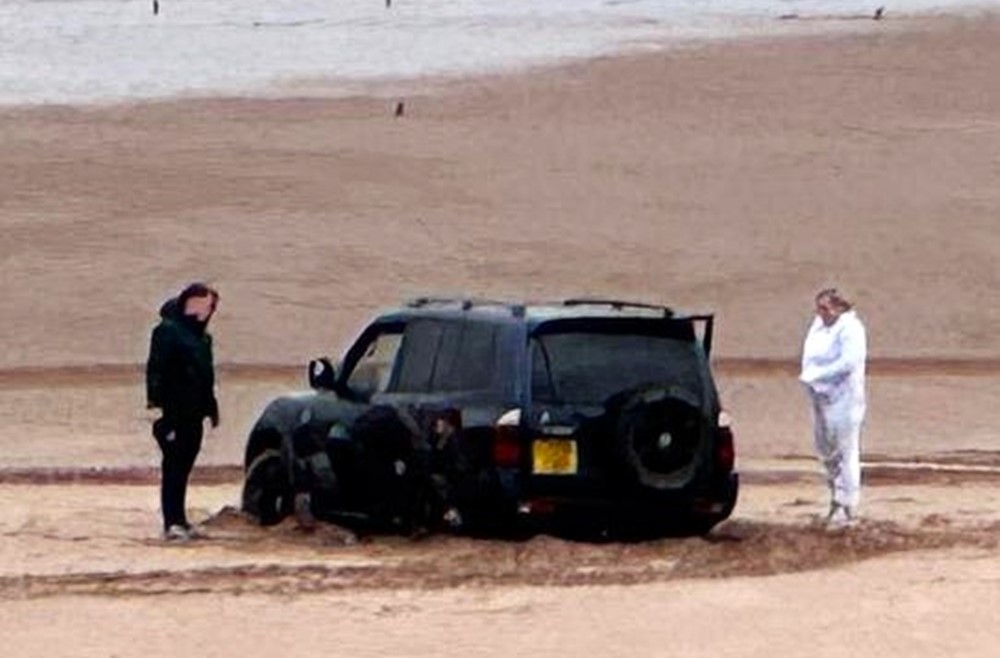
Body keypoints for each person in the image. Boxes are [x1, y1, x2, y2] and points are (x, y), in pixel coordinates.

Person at [145, 282, 220, 541]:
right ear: (188, 302)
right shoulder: (167, 332)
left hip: (195, 413)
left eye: (210, 306)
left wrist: (211, 408)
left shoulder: (203, 337)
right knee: (173, 467)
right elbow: (156, 370)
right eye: (203, 303)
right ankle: (171, 523)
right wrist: (158, 407)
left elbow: (206, 376)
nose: (207, 310)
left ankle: (181, 520)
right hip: (174, 413)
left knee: (184, 467)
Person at [799, 288, 868, 529]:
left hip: (844, 398)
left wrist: (819, 374)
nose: (821, 313)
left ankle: (846, 505)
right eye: (819, 308)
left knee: (845, 450)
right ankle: (834, 499)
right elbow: (810, 354)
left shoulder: (851, 329)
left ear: (840, 308)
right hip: (819, 395)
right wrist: (811, 378)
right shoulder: (818, 325)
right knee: (826, 450)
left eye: (825, 308)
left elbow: (849, 362)